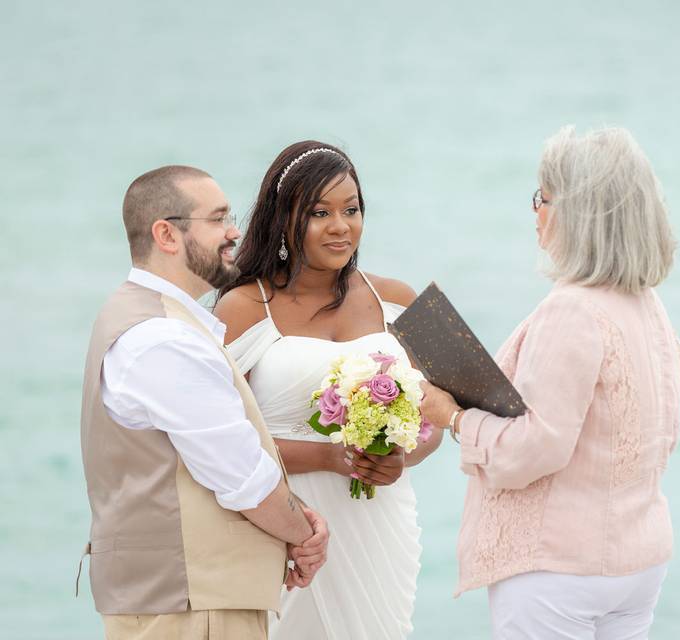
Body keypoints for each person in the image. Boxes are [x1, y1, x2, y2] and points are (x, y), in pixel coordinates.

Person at [421, 126, 680, 640]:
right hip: (639, 560)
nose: (536, 211)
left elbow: (533, 448)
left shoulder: (571, 310)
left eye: (543, 198)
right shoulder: (649, 307)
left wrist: (452, 416)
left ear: (577, 213)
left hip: (561, 568)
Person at [79, 165, 329, 640]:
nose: (235, 231)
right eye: (217, 219)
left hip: (175, 601)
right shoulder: (164, 337)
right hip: (194, 608)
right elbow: (241, 476)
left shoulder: (136, 316)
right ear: (167, 235)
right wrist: (304, 533)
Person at [215, 141, 442, 639]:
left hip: (381, 524)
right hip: (290, 529)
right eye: (320, 212)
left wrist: (406, 454)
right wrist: (328, 458)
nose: (341, 226)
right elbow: (220, 444)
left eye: (352, 209)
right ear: (284, 218)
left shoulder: (403, 298)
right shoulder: (241, 307)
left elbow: (444, 417)